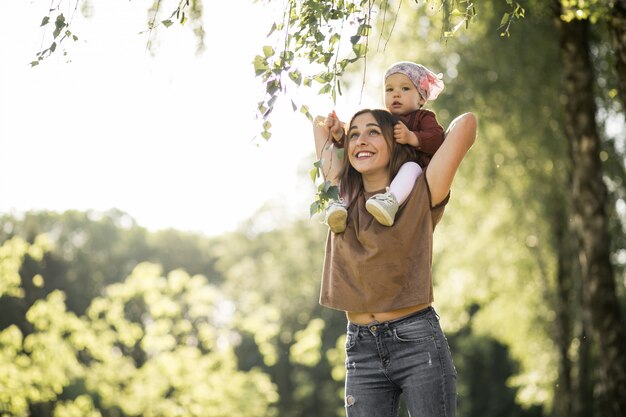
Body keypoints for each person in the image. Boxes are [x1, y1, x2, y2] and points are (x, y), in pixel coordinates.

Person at [312, 108, 477, 417]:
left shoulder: (423, 188)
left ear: (394, 140)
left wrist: (414, 135)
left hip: (417, 343)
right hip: (360, 348)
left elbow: (466, 123)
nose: (362, 140)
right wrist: (341, 129)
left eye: (374, 131)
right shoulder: (341, 194)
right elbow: (319, 124)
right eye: (356, 134)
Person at [322, 61, 445, 232]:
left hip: (412, 172)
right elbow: (361, 143)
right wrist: (339, 134)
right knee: (353, 175)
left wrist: (412, 137)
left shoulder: (423, 117)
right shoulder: (382, 119)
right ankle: (339, 205)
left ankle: (390, 202)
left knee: (411, 167)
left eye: (405, 89)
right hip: (386, 170)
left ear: (422, 98)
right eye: (389, 89)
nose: (396, 94)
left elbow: (437, 139)